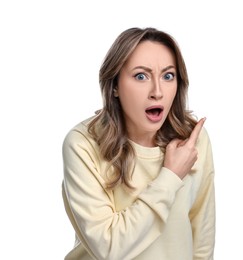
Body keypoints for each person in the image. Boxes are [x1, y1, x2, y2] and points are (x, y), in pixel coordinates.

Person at [62, 27, 215, 260]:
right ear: (114, 86)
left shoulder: (193, 140)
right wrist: (170, 176)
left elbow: (201, 238)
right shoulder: (83, 144)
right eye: (141, 76)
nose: (157, 92)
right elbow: (110, 248)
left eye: (168, 76)